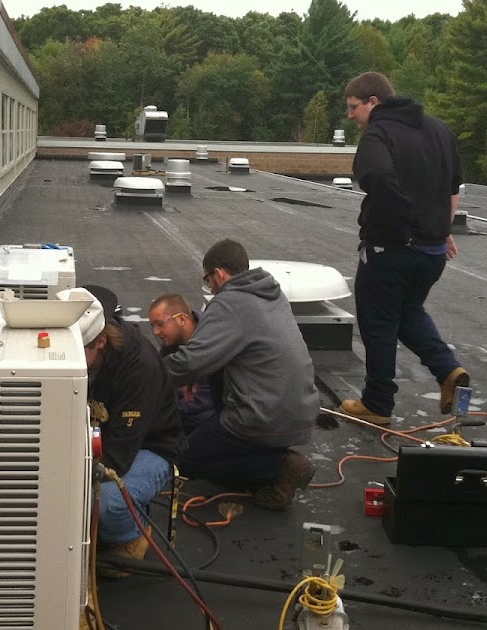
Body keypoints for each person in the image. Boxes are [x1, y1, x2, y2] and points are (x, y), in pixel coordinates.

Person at [341, 71, 469, 425]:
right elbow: (452, 188)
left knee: (378, 322)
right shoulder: (440, 130)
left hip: (391, 249)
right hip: (432, 252)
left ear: (373, 102)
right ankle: (448, 370)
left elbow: (377, 177)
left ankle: (377, 403)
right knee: (408, 313)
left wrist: (403, 226)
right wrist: (440, 229)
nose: (350, 115)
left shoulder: (378, 133)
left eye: (353, 107)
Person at [163, 239, 319, 511]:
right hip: (300, 411)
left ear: (219, 274)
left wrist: (149, 374)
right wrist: (194, 373)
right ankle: (261, 453)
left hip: (262, 417)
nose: (210, 287)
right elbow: (213, 355)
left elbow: (190, 361)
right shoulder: (271, 294)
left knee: (186, 460)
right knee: (218, 376)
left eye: (208, 280)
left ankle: (279, 467)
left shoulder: (229, 303)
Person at [66, 285, 182, 570]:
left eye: (78, 352)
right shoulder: (88, 358)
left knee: (106, 503)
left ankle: (132, 535)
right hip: (102, 436)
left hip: (148, 446)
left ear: (101, 341)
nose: (70, 361)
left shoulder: (139, 368)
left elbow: (119, 454)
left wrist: (73, 481)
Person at [148, 293, 220, 436]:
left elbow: (205, 400)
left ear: (181, 319)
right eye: (153, 326)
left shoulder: (211, 342)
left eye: (160, 324)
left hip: (217, 412)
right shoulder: (172, 342)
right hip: (191, 408)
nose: (156, 332)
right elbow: (159, 381)